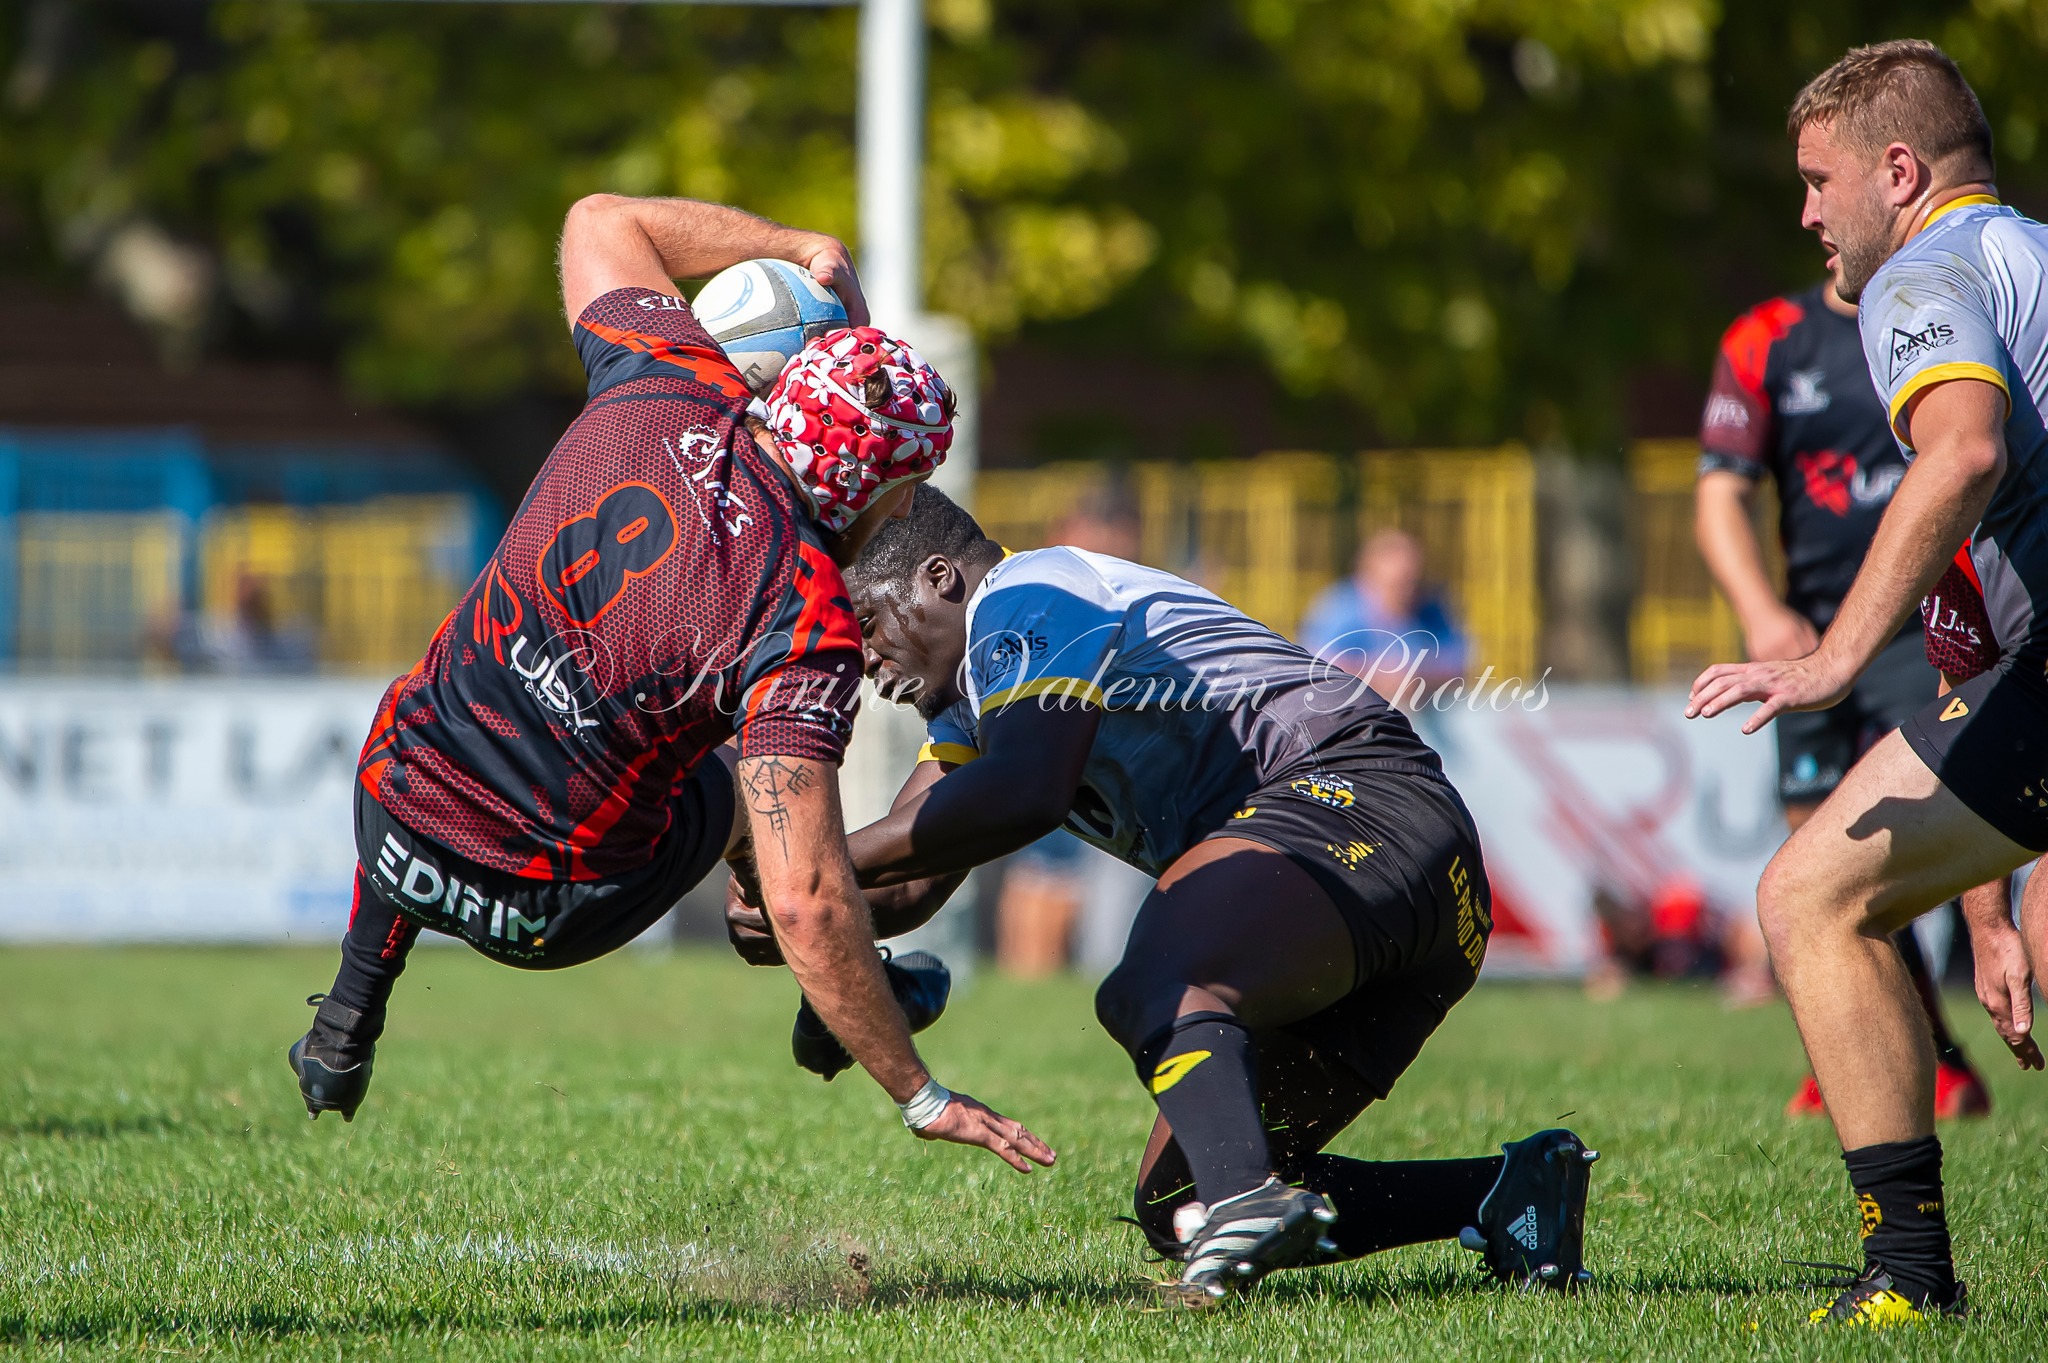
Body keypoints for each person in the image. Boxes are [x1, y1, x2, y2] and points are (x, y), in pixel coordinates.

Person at [288, 193, 1053, 1177]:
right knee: (755, 810)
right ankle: (829, 1005)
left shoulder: (664, 379)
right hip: (541, 910)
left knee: (451, 715)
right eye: (904, 491)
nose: (907, 515)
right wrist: (921, 1092)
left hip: (386, 814)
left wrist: (797, 248)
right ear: (862, 488)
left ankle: (351, 1005)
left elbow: (598, 219)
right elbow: (811, 898)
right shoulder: (802, 617)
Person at [731, 486, 1599, 1303]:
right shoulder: (972, 699)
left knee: (1158, 981)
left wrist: (805, 861)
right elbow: (913, 876)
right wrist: (805, 912)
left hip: (1360, 805)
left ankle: (1246, 1200)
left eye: (871, 623)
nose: (867, 656)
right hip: (1400, 900)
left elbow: (1024, 791)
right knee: (1178, 1195)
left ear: (940, 578)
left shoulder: (1029, 594)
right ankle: (1509, 1193)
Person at [1689, 41, 2048, 1325]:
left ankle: (1902, 1279)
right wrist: (1987, 906)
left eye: (1815, 180)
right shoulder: (2033, 258)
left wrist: (1830, 656)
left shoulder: (1918, 276)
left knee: (1806, 897)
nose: (1804, 215)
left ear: (1895, 173)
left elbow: (1958, 456)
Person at [1694, 276, 1990, 1117]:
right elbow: (1720, 493)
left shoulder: (1945, 311)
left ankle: (1914, 1058)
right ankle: (1893, 1056)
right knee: (1815, 864)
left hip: (1921, 630)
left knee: (1882, 862)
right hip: (1808, 642)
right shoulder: (1766, 337)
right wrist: (1759, 611)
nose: (1810, 211)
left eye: (1822, 185)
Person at [1297, 528, 1468, 698]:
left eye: (1414, 581)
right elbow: (1315, 666)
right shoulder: (1338, 609)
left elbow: (1459, 665)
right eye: (1398, 583)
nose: (1408, 591)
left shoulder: (1431, 609)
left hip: (1424, 706)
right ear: (1367, 576)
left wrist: (1418, 677)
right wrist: (1377, 676)